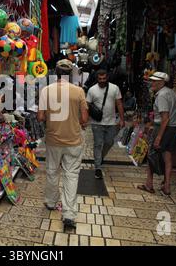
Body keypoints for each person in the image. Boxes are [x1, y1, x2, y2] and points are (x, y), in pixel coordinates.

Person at [37, 59, 89, 229]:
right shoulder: (79, 91)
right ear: (71, 73)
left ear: (56, 72)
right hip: (74, 140)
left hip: (53, 139)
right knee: (71, 175)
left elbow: (40, 117)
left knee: (52, 171)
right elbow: (84, 119)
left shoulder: (46, 91)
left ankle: (51, 202)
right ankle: (69, 215)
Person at [138, 72, 176, 195]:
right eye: (151, 81)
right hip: (174, 128)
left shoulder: (162, 95)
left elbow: (165, 118)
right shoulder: (171, 93)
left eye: (154, 81)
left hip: (164, 128)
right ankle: (167, 186)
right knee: (168, 158)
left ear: (161, 82)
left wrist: (158, 137)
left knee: (151, 155)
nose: (151, 83)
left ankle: (149, 184)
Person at [87, 69, 125, 179]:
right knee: (98, 144)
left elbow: (119, 103)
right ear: (97, 79)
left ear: (107, 77)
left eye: (104, 78)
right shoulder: (92, 90)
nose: (102, 81)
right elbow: (87, 105)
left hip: (111, 122)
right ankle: (98, 166)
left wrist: (122, 119)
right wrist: (85, 119)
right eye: (100, 79)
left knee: (109, 142)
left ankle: (100, 158)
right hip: (97, 123)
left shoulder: (114, 88)